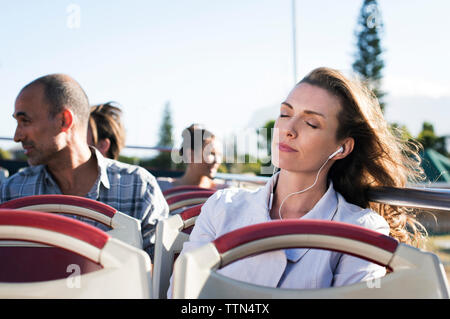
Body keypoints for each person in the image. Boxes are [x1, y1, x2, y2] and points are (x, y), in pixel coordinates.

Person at [168, 67, 426, 296]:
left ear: (342, 147)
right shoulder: (222, 206)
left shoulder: (362, 229)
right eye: (284, 113)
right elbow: (182, 294)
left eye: (311, 123)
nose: (288, 129)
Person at [1, 74, 169, 257]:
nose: (17, 136)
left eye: (25, 121)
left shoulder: (139, 187)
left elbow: (159, 275)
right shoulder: (11, 191)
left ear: (64, 121)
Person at [157, 124, 226, 192]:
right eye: (211, 153)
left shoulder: (223, 191)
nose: (217, 160)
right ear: (190, 154)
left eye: (219, 155)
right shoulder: (161, 186)